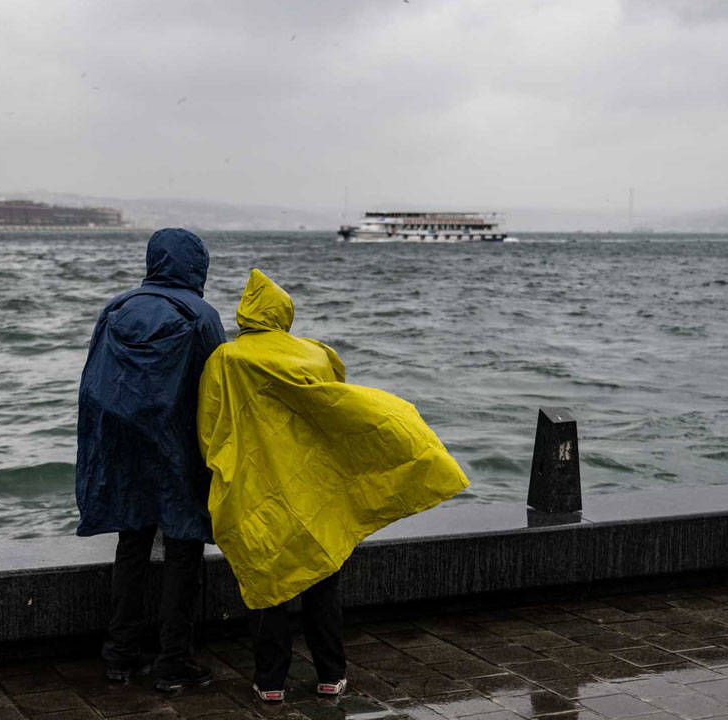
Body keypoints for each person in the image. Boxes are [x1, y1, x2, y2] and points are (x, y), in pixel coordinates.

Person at [197, 268, 469, 702]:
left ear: (245, 312)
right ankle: (330, 674)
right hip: (313, 487)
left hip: (256, 491)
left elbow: (210, 429)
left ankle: (270, 682)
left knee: (267, 584)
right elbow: (335, 410)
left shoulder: (225, 360)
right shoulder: (315, 354)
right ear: (283, 313)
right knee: (321, 579)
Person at [75, 228, 226, 691]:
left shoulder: (116, 308)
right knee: (183, 549)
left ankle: (119, 655)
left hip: (122, 447)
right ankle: (172, 662)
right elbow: (216, 392)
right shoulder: (200, 315)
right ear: (196, 266)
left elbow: (92, 383)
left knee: (132, 542)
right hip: (176, 447)